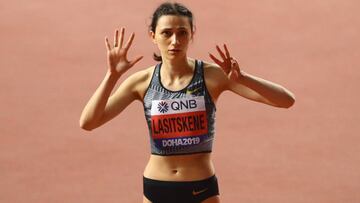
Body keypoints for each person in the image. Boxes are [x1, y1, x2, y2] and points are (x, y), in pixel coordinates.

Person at [79, 2, 295, 203]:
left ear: (192, 34)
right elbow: (88, 122)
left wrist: (243, 78)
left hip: (201, 188)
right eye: (166, 33)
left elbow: (286, 101)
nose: (175, 41)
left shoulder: (212, 76)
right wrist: (112, 77)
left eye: (182, 32)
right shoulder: (142, 82)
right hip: (157, 187)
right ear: (153, 36)